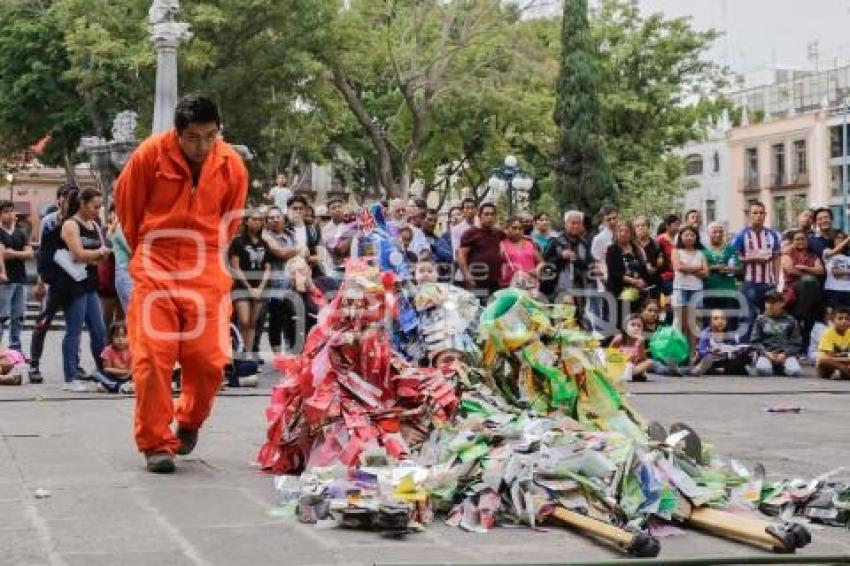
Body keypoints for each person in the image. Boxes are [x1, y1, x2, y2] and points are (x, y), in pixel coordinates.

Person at [115, 93, 248, 473]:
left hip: (203, 261)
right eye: (193, 137)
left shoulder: (231, 164)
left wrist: (206, 254)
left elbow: (231, 219)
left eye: (210, 136)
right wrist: (146, 252)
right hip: (155, 259)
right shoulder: (149, 155)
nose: (202, 145)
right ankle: (156, 442)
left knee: (209, 359)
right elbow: (128, 209)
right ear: (178, 133)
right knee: (151, 357)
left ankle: (189, 420)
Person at [58, 188, 110, 392]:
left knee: (99, 330)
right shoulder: (71, 224)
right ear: (82, 204)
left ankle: (103, 372)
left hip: (90, 282)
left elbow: (101, 256)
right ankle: (69, 377)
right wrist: (97, 253)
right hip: (73, 283)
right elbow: (77, 254)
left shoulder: (95, 225)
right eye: (94, 206)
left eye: (100, 207)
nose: (97, 211)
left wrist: (96, 255)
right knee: (74, 330)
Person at [30, 184, 72, 384]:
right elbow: (43, 255)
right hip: (52, 280)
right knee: (43, 322)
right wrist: (40, 281)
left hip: (73, 281)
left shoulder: (80, 220)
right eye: (67, 197)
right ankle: (34, 364)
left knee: (75, 324)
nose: (69, 201)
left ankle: (75, 365)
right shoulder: (49, 221)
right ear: (59, 200)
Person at [732, 201, 782, 339]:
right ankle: (745, 348)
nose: (758, 216)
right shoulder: (741, 235)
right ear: (749, 215)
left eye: (761, 213)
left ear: (765, 215)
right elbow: (733, 259)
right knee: (749, 316)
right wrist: (752, 260)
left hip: (769, 283)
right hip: (750, 282)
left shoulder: (773, 235)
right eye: (755, 213)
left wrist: (777, 280)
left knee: (770, 316)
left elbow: (777, 257)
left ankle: (767, 347)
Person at [230, 209, 272, 362]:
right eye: (254, 219)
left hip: (260, 287)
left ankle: (248, 355)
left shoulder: (264, 243)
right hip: (242, 287)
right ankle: (239, 354)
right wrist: (249, 288)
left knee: (254, 323)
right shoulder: (238, 242)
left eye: (260, 220)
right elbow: (236, 267)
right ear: (246, 221)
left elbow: (268, 268)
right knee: (244, 320)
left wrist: (260, 288)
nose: (257, 222)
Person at [781, 229, 824, 344]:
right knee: (809, 280)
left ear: (807, 241)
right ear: (792, 242)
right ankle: (801, 318)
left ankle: (805, 348)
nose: (800, 241)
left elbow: (820, 270)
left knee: (810, 282)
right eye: (797, 239)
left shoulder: (813, 255)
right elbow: (790, 270)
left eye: (803, 239)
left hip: (811, 295)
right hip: (793, 291)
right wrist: (810, 274)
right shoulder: (787, 254)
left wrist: (805, 268)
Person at [0, 200, 32, 351]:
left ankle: (15, 346)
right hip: (4, 281)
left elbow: (30, 253)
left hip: (20, 279)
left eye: (11, 211)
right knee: (2, 316)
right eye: (6, 211)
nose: (10, 214)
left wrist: (12, 253)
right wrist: (20, 254)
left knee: (18, 315)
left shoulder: (21, 232)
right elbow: (2, 255)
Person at [605, 221, 649, 330]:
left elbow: (643, 268)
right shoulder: (612, 249)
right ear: (616, 233)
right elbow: (614, 273)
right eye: (620, 231)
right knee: (620, 323)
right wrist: (634, 281)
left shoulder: (636, 249)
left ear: (631, 233)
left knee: (634, 321)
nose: (623, 234)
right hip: (618, 292)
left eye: (626, 231)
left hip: (636, 293)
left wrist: (642, 280)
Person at [671, 225, 709, 353]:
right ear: (680, 237)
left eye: (692, 235)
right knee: (679, 323)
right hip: (680, 289)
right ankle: (678, 354)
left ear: (696, 237)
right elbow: (678, 267)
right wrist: (697, 268)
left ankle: (693, 354)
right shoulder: (676, 251)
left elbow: (706, 273)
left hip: (696, 290)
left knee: (694, 325)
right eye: (686, 235)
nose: (689, 237)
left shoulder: (700, 253)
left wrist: (687, 269)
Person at [750, 291, 803, 377]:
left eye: (773, 302)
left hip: (785, 355)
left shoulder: (791, 320)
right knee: (763, 370)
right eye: (767, 302)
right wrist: (765, 353)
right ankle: (776, 368)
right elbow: (754, 341)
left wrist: (785, 354)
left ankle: (780, 368)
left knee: (795, 371)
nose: (770, 305)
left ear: (782, 303)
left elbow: (796, 343)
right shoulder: (760, 320)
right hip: (767, 354)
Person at [458, 203, 504, 298]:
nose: (489, 217)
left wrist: (527, 238)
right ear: (479, 216)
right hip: (477, 280)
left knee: (493, 307)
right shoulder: (470, 233)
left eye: (492, 214)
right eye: (486, 214)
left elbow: (511, 237)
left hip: (495, 281)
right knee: (478, 306)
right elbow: (461, 255)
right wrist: (466, 275)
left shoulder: (498, 233)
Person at [543, 210, 591, 300]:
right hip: (558, 290)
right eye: (572, 223)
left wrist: (576, 259)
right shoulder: (555, 242)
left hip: (579, 290)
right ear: (565, 224)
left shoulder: (584, 244)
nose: (576, 226)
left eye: (578, 223)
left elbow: (588, 265)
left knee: (578, 313)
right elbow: (545, 264)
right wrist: (561, 257)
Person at [702, 222, 741, 326]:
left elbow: (739, 268)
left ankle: (729, 342)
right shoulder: (703, 251)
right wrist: (715, 267)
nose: (718, 234)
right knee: (709, 324)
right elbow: (700, 268)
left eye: (720, 232)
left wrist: (730, 269)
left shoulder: (730, 249)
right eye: (715, 232)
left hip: (729, 292)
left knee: (730, 323)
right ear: (708, 233)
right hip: (709, 291)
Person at [690, 310, 751, 376]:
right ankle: (700, 369)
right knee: (705, 360)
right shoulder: (705, 334)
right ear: (711, 322)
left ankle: (721, 370)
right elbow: (702, 350)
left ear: (726, 321)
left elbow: (736, 347)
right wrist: (711, 351)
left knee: (744, 357)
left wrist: (737, 350)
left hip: (726, 361)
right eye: (716, 319)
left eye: (722, 319)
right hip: (711, 360)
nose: (720, 321)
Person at [286, 195, 323, 277]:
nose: (298, 211)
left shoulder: (313, 230)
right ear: (288, 210)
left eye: (301, 208)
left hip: (312, 271)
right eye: (294, 208)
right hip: (289, 272)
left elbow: (320, 254)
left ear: (305, 210)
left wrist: (310, 259)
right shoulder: (284, 230)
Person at [500, 216, 543, 287]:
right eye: (514, 228)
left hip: (530, 286)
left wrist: (537, 270)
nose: (517, 231)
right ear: (506, 229)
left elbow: (541, 262)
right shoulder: (501, 245)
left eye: (520, 228)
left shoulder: (530, 244)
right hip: (509, 287)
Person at [92, 322, 134, 394]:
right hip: (113, 377)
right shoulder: (108, 350)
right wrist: (124, 372)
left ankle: (118, 387)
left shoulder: (132, 349)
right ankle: (120, 387)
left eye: (124, 336)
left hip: (129, 377)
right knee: (95, 374)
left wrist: (129, 373)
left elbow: (133, 368)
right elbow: (107, 369)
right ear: (111, 338)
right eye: (117, 336)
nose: (120, 339)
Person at [610, 314, 653, 382]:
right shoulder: (619, 338)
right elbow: (609, 354)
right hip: (619, 365)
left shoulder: (640, 340)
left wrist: (640, 345)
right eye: (632, 325)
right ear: (625, 328)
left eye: (639, 326)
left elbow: (642, 359)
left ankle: (630, 375)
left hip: (632, 368)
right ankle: (628, 375)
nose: (636, 328)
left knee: (650, 362)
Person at [816, 306, 850, 380]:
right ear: (833, 320)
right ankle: (842, 372)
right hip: (829, 365)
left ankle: (842, 373)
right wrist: (846, 359)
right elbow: (829, 357)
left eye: (847, 319)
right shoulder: (827, 334)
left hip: (845, 362)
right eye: (840, 318)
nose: (843, 321)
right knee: (823, 361)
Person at [634, 215, 662, 299]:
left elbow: (660, 263)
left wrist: (656, 268)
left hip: (653, 284)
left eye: (643, 225)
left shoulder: (656, 244)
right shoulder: (630, 245)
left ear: (648, 227)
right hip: (635, 285)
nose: (640, 228)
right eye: (637, 226)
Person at [655, 213, 680, 297]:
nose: (678, 227)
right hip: (666, 277)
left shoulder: (680, 239)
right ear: (667, 226)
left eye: (678, 224)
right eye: (675, 225)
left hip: (680, 275)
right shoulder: (660, 240)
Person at [825, 232, 850, 310]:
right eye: (838, 238)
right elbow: (835, 272)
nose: (841, 240)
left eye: (843, 238)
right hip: (833, 290)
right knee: (833, 315)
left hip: (848, 290)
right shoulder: (827, 251)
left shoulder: (848, 256)